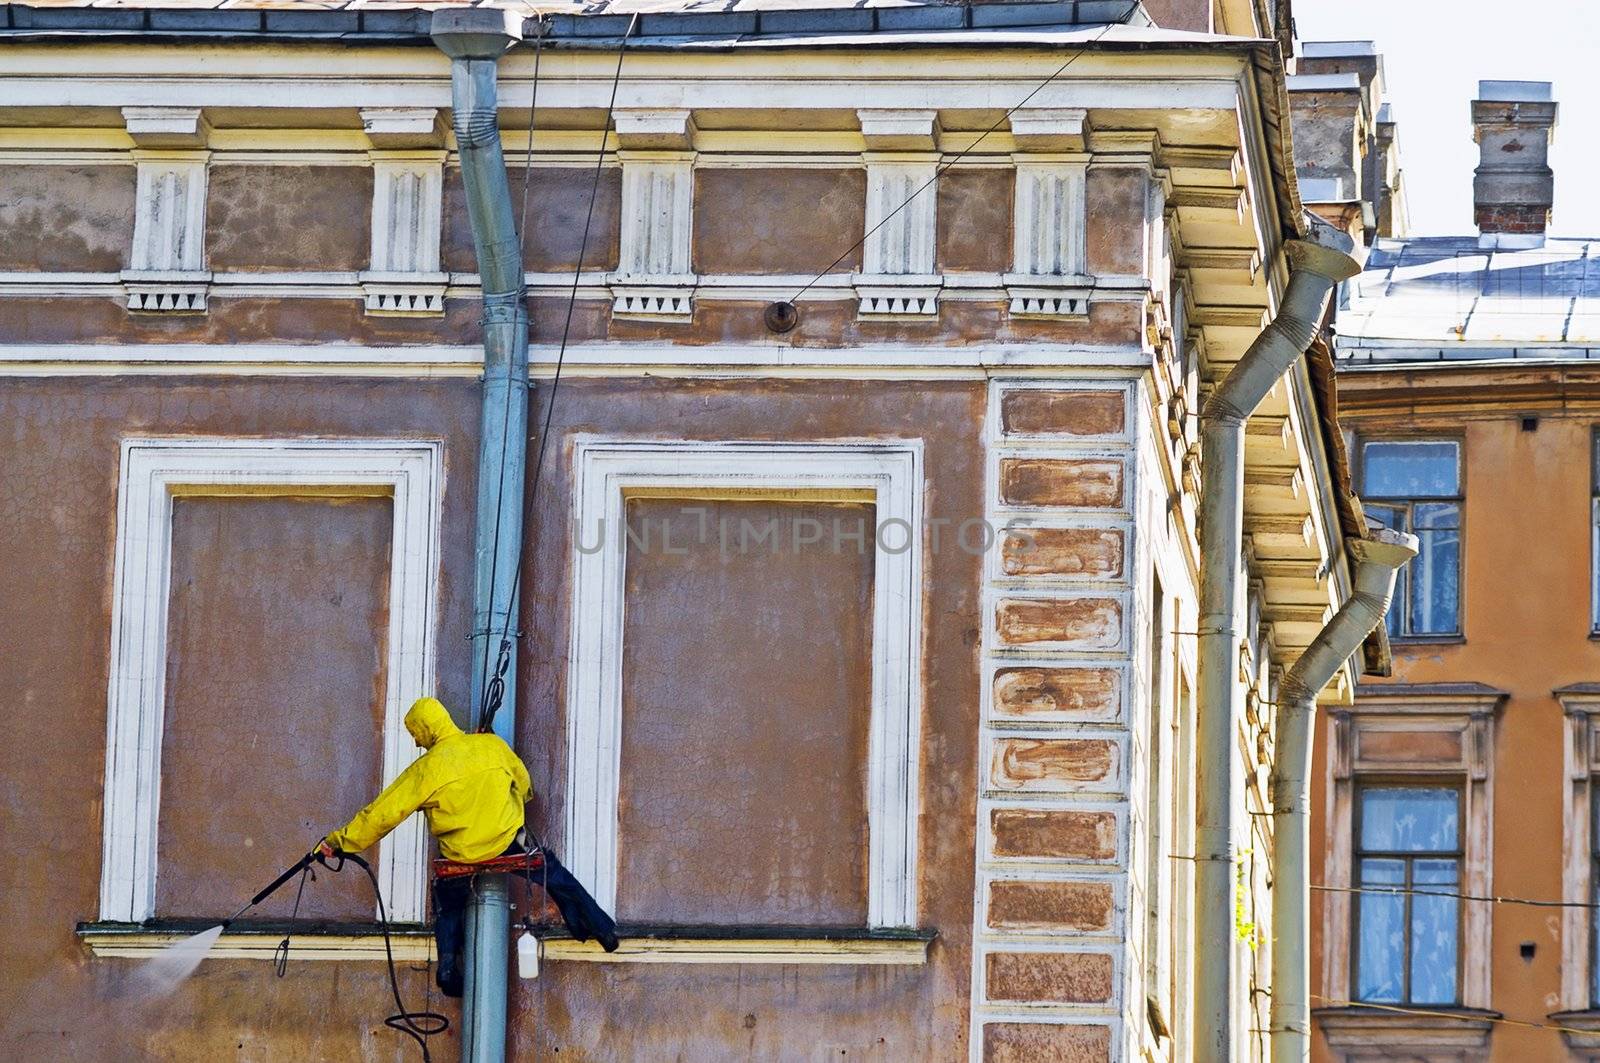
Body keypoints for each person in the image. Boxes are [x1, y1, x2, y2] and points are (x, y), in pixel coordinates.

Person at [320, 696, 618, 997]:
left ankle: (449, 971)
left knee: (448, 904)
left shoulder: (426, 769)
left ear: (427, 728)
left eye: (415, 734)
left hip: (461, 855)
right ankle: (600, 928)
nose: (416, 742)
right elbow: (525, 786)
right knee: (553, 874)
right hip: (505, 844)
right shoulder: (492, 746)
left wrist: (338, 842)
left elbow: (381, 815)